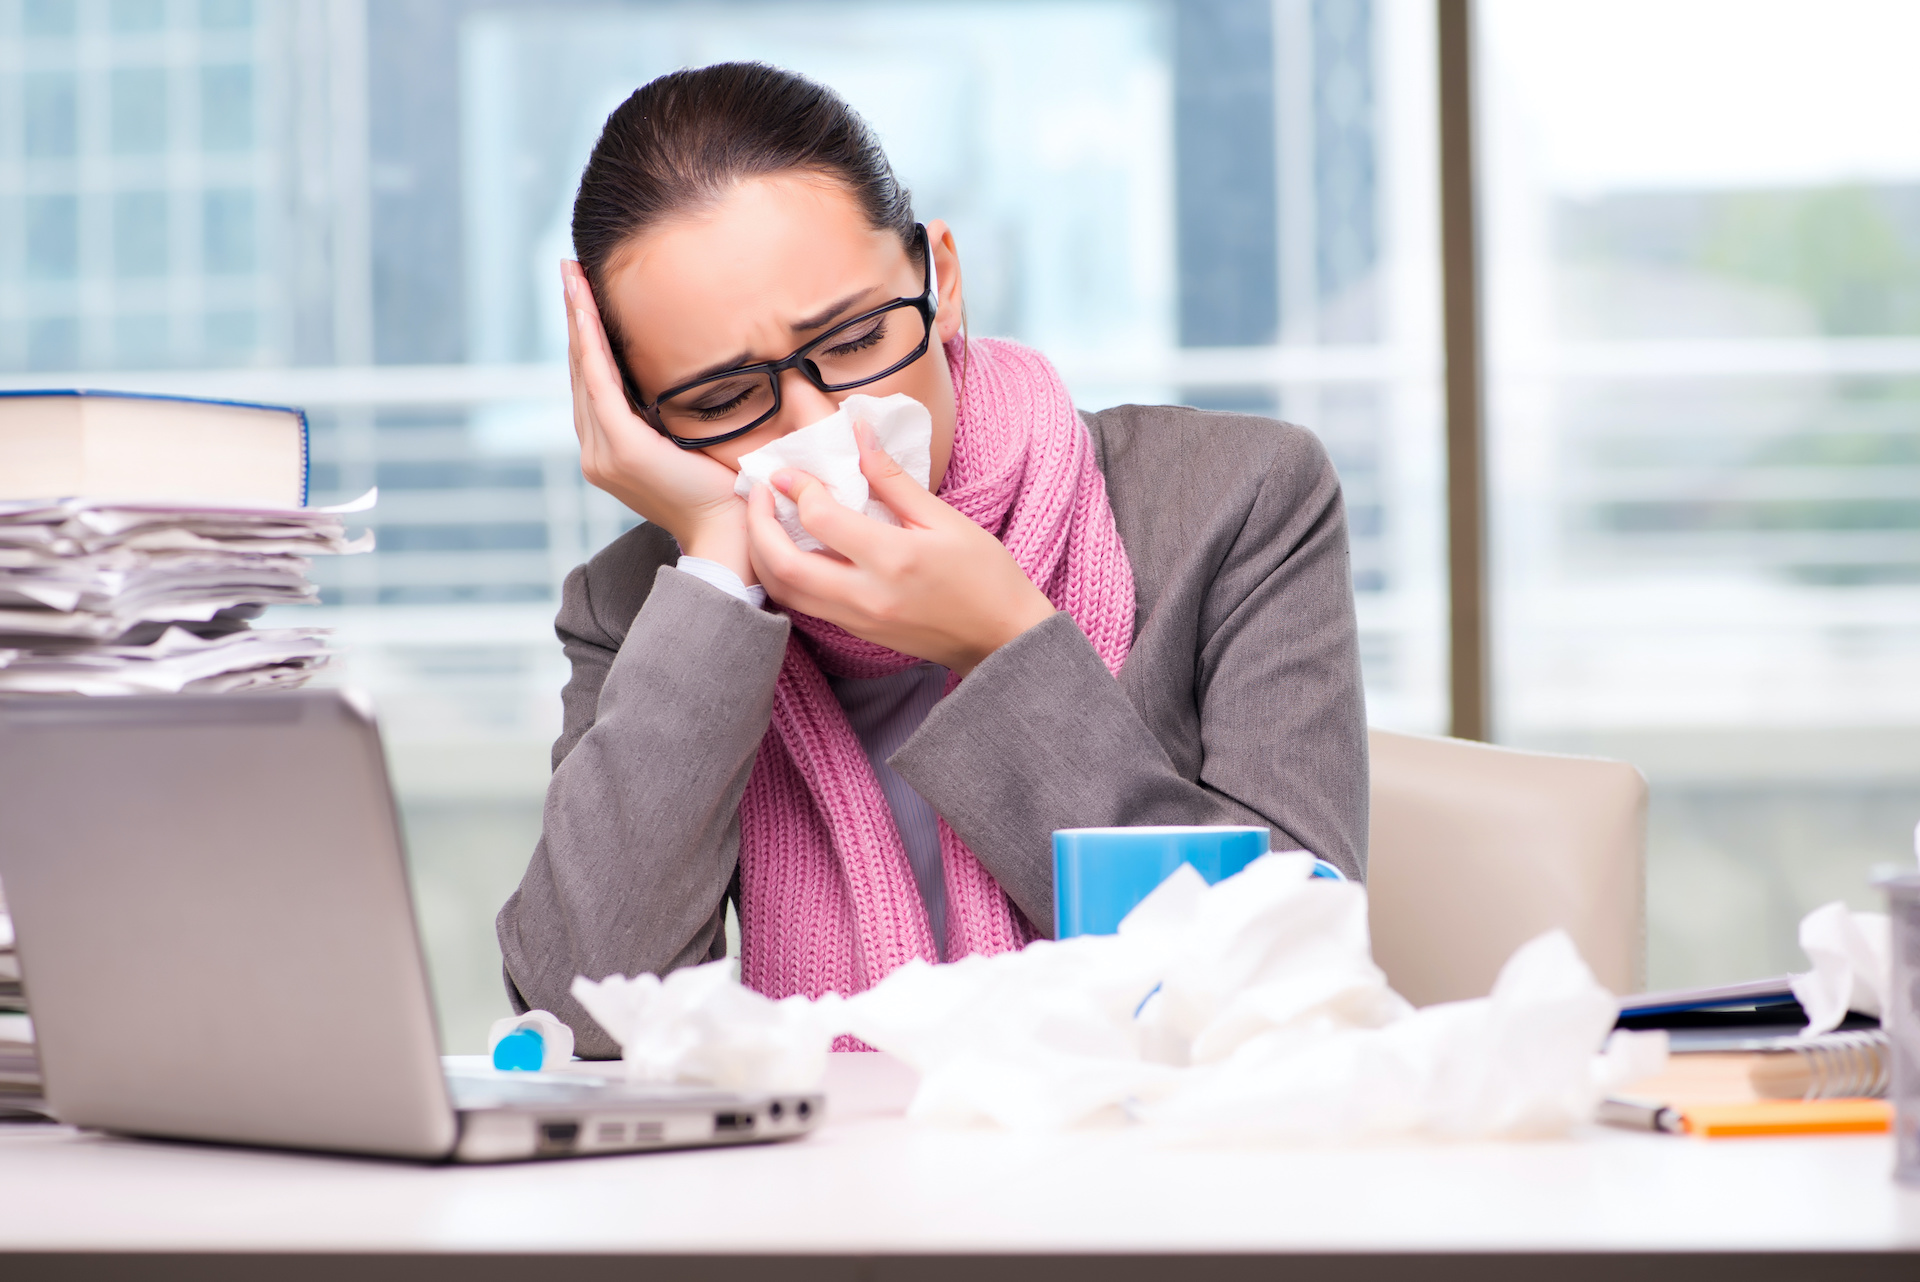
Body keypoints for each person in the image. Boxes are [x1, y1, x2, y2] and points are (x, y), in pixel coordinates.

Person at [497, 62, 1368, 1055]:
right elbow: (580, 1023)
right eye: (718, 400)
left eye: (858, 336)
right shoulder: (642, 607)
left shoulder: (1239, 498)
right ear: (642, 422)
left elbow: (1291, 977)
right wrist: (718, 571)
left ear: (941, 279)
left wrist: (1001, 643)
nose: (823, 425)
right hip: (821, 1191)